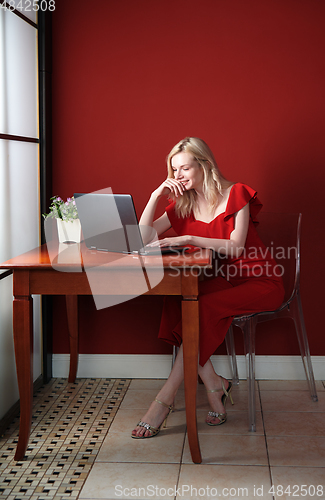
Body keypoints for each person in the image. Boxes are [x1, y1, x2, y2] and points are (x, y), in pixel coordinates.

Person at [131, 137, 284, 439]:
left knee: (201, 307)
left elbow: (236, 247)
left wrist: (188, 240)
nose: (178, 177)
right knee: (179, 301)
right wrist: (154, 195)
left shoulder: (235, 193)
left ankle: (164, 400)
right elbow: (142, 239)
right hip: (224, 280)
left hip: (260, 280)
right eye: (173, 171)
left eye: (184, 168)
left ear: (204, 164)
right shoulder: (183, 205)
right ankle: (214, 383)